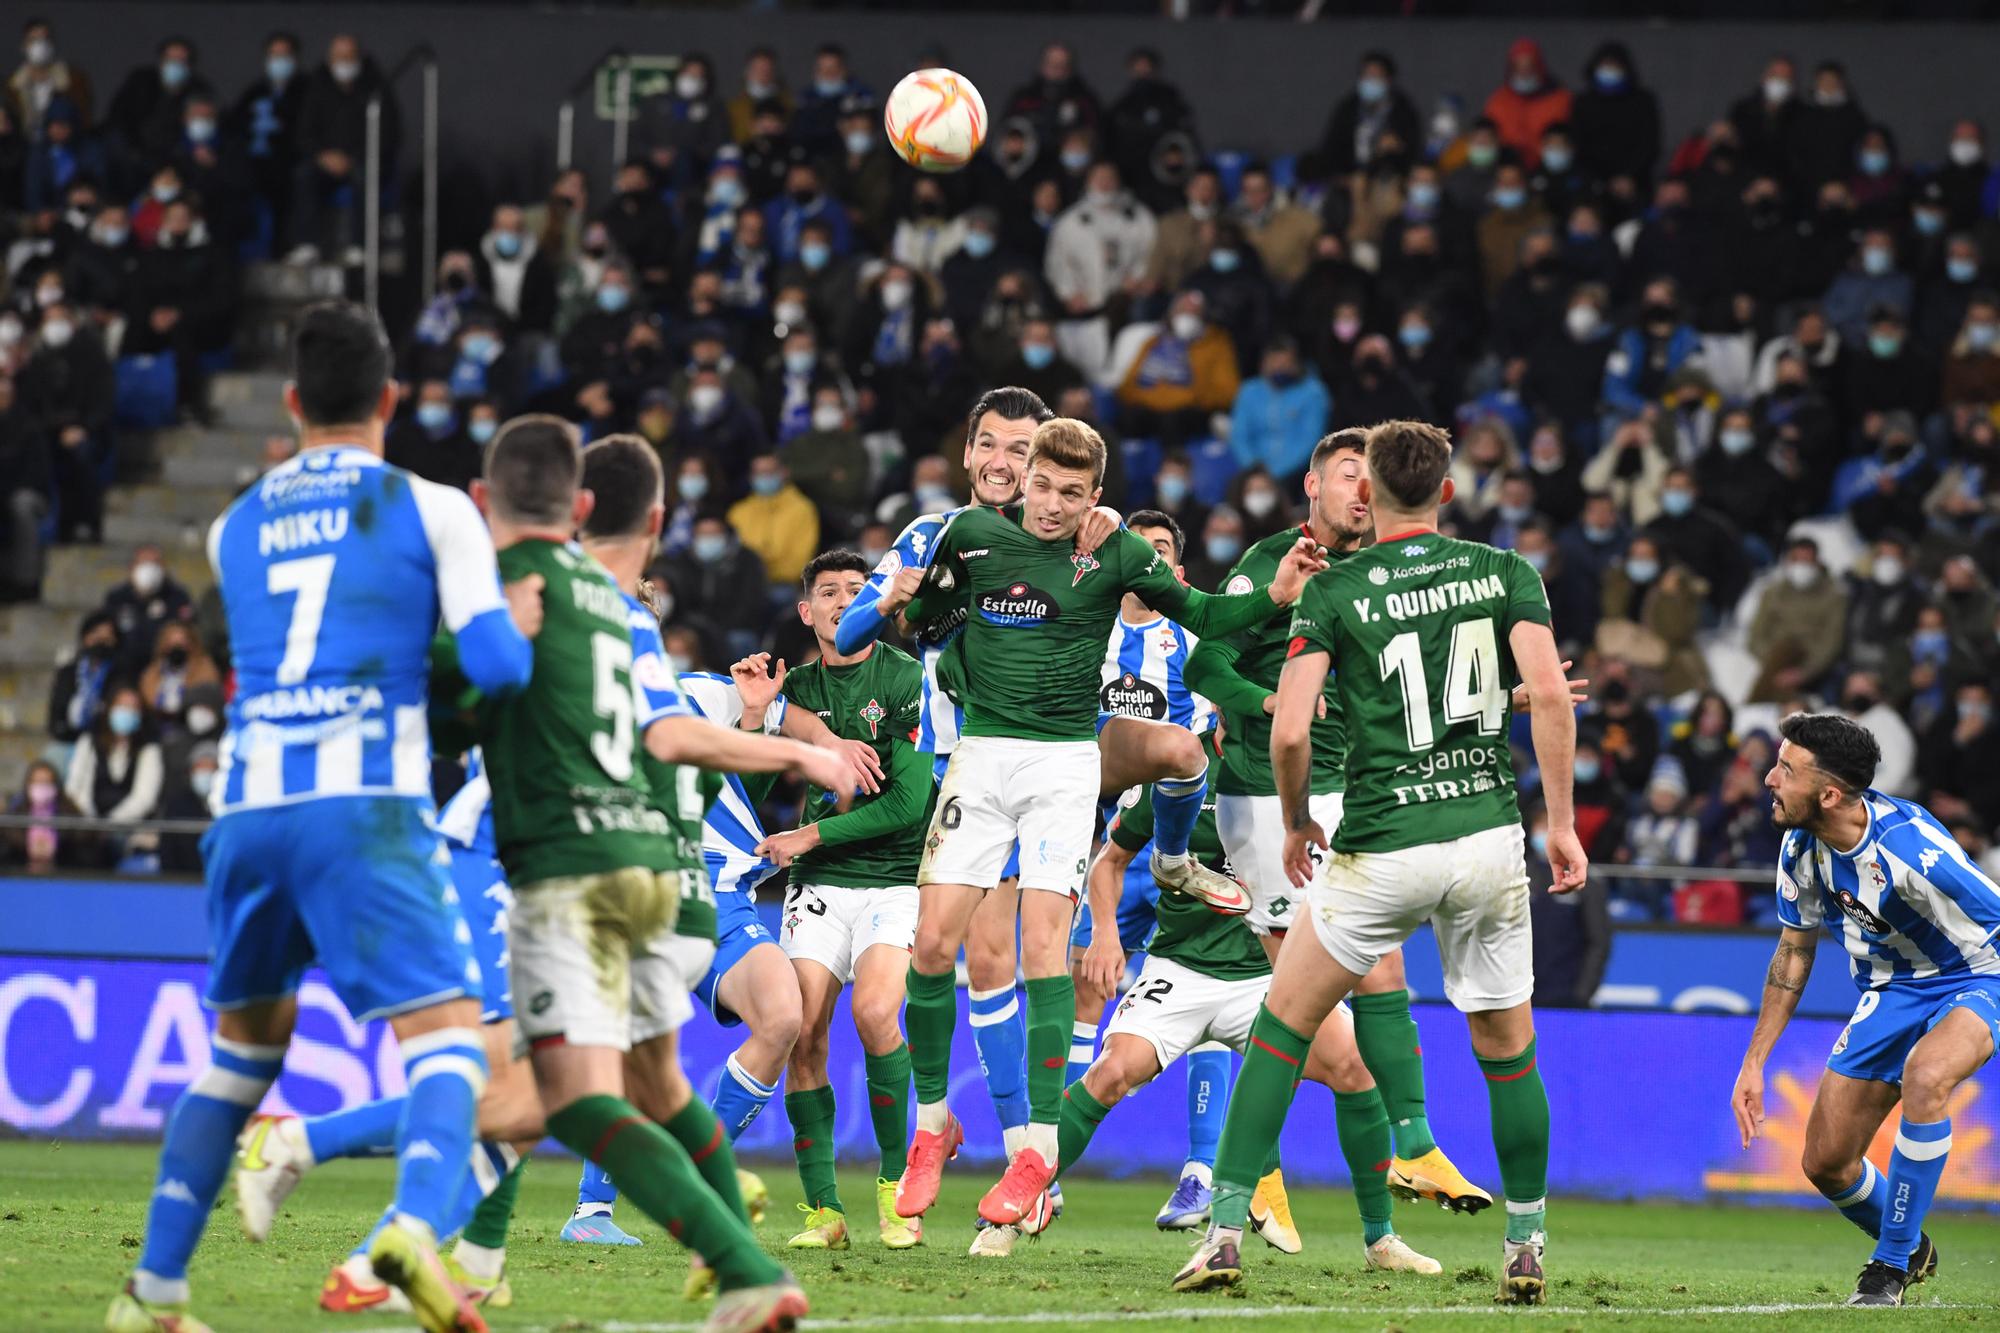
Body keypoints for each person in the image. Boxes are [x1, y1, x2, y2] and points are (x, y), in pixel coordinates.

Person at [104, 301, 540, 1333]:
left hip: (247, 808)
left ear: (293, 402)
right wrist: (510, 626)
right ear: (391, 399)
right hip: (366, 808)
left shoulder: (232, 523)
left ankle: (153, 1293)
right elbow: (495, 671)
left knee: (243, 1053)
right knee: (448, 1047)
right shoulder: (431, 508)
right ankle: (412, 1237)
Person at [1170, 418, 1584, 1305]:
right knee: (1508, 1051)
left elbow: (1287, 725)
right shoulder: (1506, 572)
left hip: (1383, 841)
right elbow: (1548, 693)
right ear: (1446, 490)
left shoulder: (1336, 589)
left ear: (1371, 495)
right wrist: (1564, 825)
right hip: (1485, 839)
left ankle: (1228, 1229)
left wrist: (1292, 822)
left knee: (1283, 1026)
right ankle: (1526, 1242)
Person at [887, 418, 1322, 1239]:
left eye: (1073, 493)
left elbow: (1200, 613)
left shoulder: (1117, 549)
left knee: (1045, 945)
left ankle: (1039, 1153)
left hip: (1061, 764)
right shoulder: (970, 534)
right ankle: (936, 1121)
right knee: (932, 948)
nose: (1052, 505)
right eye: (1042, 485)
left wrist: (1275, 594)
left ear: (1096, 495)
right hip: (977, 756)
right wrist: (913, 602)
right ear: (1025, 478)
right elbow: (928, 629)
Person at [474, 416, 848, 1331]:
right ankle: (644, 1228)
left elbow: (757, 712)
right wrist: (788, 754)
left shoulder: (682, 678)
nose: (636, 611)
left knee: (762, 1023)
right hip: (608, 878)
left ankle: (713, 1247)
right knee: (552, 1087)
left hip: (696, 892)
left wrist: (794, 732)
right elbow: (670, 736)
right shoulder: (577, 648)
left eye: (644, 604)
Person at [1189, 428, 1503, 1213]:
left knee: (1376, 977)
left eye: (1371, 479)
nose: (1361, 491)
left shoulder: (1375, 574)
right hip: (1266, 797)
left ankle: (1408, 1152)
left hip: (1343, 791)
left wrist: (1507, 698)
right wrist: (1264, 700)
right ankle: (1255, 1176)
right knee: (1310, 1013)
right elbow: (1202, 661)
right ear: (1312, 486)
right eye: (1347, 476)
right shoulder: (1270, 562)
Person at [1061, 777, 1440, 1274]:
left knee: (1355, 1066)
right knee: (1111, 1072)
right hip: (1182, 968)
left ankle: (1381, 1239)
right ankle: (1019, 1197)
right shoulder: (1181, 772)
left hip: (1271, 973)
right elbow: (1109, 863)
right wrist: (1105, 934)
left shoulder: (1307, 779)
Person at [1733, 712, 1998, 1307]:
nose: (1769, 778)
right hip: (1891, 990)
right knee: (1826, 1162)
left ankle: (1888, 1268)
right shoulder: (1800, 844)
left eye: (1785, 769)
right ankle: (1912, 1246)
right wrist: (1754, 1063)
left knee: (1926, 1076)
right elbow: (1794, 952)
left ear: (1828, 794)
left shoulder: (1912, 851)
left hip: (1979, 975)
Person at [753, 550, 931, 1252]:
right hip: (819, 885)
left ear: (875, 602)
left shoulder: (906, 678)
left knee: (876, 1010)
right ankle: (824, 1212)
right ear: (807, 611)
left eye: (856, 590)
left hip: (893, 876)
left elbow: (912, 802)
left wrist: (811, 832)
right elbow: (752, 784)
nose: (840, 601)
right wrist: (751, 717)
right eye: (827, 592)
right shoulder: (790, 692)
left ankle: (896, 1191)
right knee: (802, 1031)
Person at [1068, 509, 1233, 1231]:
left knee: (1207, 1002)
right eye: (1138, 549)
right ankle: (1045, 1166)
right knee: (1077, 981)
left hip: (1180, 845)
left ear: (1179, 571)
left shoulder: (1197, 642)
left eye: (1162, 551)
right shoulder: (1083, 626)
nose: (1149, 561)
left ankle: (1200, 1172)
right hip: (1096, 846)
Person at [288, 35, 398, 264]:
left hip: (362, 160)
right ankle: (307, 244)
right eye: (339, 57)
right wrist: (322, 155)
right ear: (329, 60)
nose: (344, 63)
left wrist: (353, 158)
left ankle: (360, 246)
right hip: (325, 161)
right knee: (303, 175)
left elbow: (389, 134)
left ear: (359, 58)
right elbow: (304, 133)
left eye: (350, 57)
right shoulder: (317, 87)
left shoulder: (377, 88)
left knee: (365, 176)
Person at [1228, 336, 1329, 484]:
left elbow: (1310, 440)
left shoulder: (1313, 392)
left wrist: (1275, 472)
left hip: (1298, 474)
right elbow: (1239, 435)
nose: (1279, 368)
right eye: (1274, 363)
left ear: (1296, 364)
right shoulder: (1249, 391)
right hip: (1253, 472)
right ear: (1263, 364)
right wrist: (1254, 468)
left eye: (1285, 364)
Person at [726, 453, 820, 587]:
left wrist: (762, 572)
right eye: (759, 472)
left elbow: (800, 561)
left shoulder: (802, 509)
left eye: (770, 471)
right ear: (751, 477)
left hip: (782, 584)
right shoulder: (738, 512)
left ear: (784, 472)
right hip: (741, 584)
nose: (765, 476)